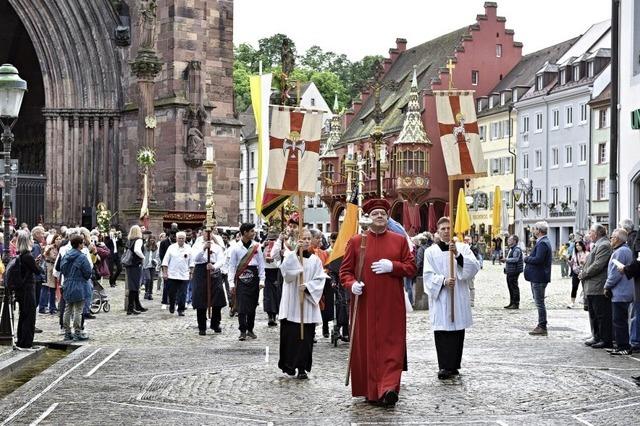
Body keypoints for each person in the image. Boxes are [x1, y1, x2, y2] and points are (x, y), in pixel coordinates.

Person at [339, 198, 416, 407]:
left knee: (392, 345)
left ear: (388, 217)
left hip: (392, 304)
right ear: (369, 218)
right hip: (365, 304)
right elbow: (344, 271)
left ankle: (389, 388)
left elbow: (411, 268)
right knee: (368, 345)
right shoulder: (356, 242)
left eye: (383, 213)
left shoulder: (399, 241)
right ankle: (371, 389)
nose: (379, 216)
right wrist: (352, 283)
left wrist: (393, 266)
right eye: (375, 214)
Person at [423, 217, 480, 380]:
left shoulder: (463, 247)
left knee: (457, 330)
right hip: (441, 296)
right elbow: (427, 275)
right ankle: (444, 366)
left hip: (458, 295)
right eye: (443, 229)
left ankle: (454, 365)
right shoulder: (430, 252)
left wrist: (458, 255)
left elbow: (474, 267)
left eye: (449, 228)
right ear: (438, 231)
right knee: (442, 331)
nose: (446, 231)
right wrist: (442, 281)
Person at [278, 229, 327, 379]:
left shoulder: (315, 260)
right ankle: (289, 365)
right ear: (298, 240)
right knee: (291, 336)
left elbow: (320, 279)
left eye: (308, 238)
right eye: (303, 238)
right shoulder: (290, 257)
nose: (306, 241)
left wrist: (308, 287)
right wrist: (294, 253)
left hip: (307, 303)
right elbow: (286, 274)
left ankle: (302, 368)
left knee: (305, 339)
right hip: (292, 302)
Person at [227, 223, 265, 341]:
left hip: (253, 277)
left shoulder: (256, 247)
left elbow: (261, 264)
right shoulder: (235, 247)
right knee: (242, 306)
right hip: (241, 278)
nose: (254, 233)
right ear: (244, 232)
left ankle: (250, 329)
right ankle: (242, 330)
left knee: (252, 305)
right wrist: (231, 283)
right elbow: (232, 266)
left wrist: (262, 279)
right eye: (252, 231)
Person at [581, 223, 613, 349]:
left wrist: (584, 273)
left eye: (590, 232)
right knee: (593, 313)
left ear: (597, 233)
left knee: (601, 315)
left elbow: (598, 265)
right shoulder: (598, 244)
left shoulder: (604, 245)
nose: (589, 235)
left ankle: (605, 339)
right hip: (592, 285)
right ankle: (596, 336)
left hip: (598, 285)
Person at [604, 229, 634, 355]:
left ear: (618, 239)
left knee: (619, 320)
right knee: (620, 320)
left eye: (612, 237)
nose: (610, 239)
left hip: (621, 292)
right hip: (623, 290)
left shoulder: (621, 252)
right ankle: (621, 345)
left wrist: (607, 286)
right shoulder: (624, 250)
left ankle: (623, 347)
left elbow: (615, 273)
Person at [14, 230, 44, 348]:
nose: (32, 241)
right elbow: (37, 271)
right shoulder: (27, 255)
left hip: (22, 289)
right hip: (28, 288)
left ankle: (21, 340)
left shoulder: (22, 254)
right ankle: (27, 342)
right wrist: (38, 264)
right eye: (30, 239)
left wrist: (34, 262)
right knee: (29, 316)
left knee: (23, 315)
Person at [191, 234, 226, 335]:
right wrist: (203, 248)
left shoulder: (217, 246)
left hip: (213, 270)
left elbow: (221, 260)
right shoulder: (197, 245)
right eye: (206, 233)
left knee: (217, 297)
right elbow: (195, 258)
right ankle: (202, 326)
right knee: (200, 298)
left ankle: (215, 323)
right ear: (203, 233)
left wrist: (214, 266)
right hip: (201, 270)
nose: (208, 235)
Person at [60, 235, 92, 341]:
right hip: (79, 285)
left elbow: (62, 269)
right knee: (78, 310)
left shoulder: (66, 255)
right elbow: (88, 272)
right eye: (82, 243)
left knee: (68, 309)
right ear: (79, 244)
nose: (83, 244)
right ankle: (77, 332)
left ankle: (67, 332)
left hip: (67, 283)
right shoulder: (82, 257)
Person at [524, 221, 553, 336]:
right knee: (538, 302)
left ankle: (542, 326)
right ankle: (541, 325)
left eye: (535, 229)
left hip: (539, 277)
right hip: (538, 276)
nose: (533, 230)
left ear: (539, 231)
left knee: (539, 303)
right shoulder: (542, 242)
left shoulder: (543, 243)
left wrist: (526, 259)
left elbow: (538, 259)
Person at [161, 231, 193, 316]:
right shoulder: (171, 248)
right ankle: (172, 305)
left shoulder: (189, 248)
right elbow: (165, 261)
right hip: (172, 274)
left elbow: (192, 262)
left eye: (183, 238)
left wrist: (191, 273)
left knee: (183, 294)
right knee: (172, 293)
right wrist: (165, 273)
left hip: (184, 275)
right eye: (179, 238)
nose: (181, 240)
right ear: (176, 239)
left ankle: (181, 309)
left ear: (185, 239)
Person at [124, 225, 146, 315]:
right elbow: (137, 251)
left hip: (129, 265)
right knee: (134, 287)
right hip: (135, 265)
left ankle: (137, 305)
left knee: (134, 286)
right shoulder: (138, 240)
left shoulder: (129, 241)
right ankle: (130, 308)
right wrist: (143, 257)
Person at [263, 228, 282, 327]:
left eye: (274, 239)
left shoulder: (279, 247)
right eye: (270, 239)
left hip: (277, 271)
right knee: (268, 296)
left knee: (276, 295)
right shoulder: (264, 247)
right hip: (267, 272)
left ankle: (274, 315)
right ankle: (270, 315)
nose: (272, 241)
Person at [503, 234, 523, 309]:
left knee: (514, 287)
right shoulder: (512, 248)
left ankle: (515, 303)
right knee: (510, 287)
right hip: (510, 270)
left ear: (514, 241)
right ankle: (512, 302)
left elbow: (515, 259)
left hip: (514, 271)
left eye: (510, 239)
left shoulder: (516, 249)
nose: (508, 240)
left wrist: (506, 260)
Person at [568, 241, 588, 309]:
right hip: (575, 272)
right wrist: (568, 261)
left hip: (583, 272)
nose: (578, 247)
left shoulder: (587, 253)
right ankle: (572, 302)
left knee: (585, 287)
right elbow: (571, 264)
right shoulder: (574, 254)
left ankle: (586, 302)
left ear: (582, 246)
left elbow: (589, 263)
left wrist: (584, 263)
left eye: (579, 245)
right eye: (576, 245)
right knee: (574, 287)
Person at [142, 236, 159, 300]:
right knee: (148, 279)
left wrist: (156, 261)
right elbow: (142, 254)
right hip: (146, 265)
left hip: (152, 265)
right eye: (151, 240)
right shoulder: (145, 246)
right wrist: (143, 261)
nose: (152, 241)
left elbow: (158, 256)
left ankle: (150, 294)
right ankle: (146, 292)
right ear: (149, 240)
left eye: (153, 240)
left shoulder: (156, 247)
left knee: (151, 280)